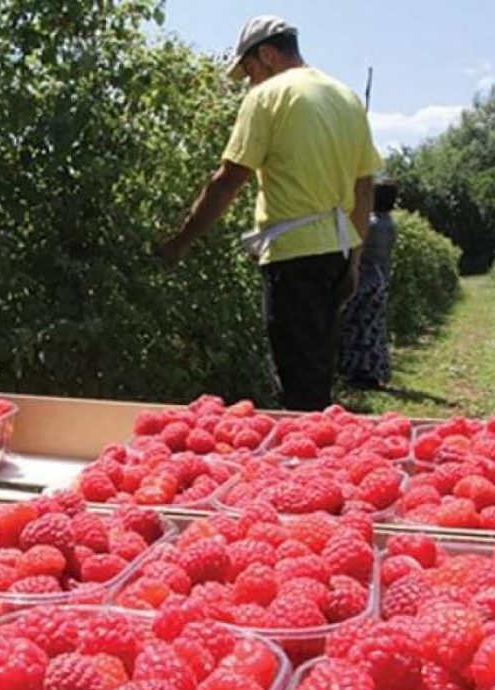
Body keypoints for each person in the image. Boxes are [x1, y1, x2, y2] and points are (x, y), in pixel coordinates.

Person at [159, 15, 382, 410]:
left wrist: (180, 242)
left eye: (249, 70)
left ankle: (306, 465)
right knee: (317, 372)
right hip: (337, 252)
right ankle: (320, 453)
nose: (250, 81)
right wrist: (354, 261)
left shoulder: (269, 96)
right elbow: (363, 189)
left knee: (296, 381)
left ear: (266, 54)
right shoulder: (345, 97)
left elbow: (228, 180)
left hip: (293, 256)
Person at [339, 180, 399, 389]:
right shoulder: (389, 223)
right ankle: (374, 372)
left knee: (359, 326)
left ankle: (361, 375)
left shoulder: (370, 224)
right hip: (381, 278)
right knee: (374, 328)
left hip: (365, 280)